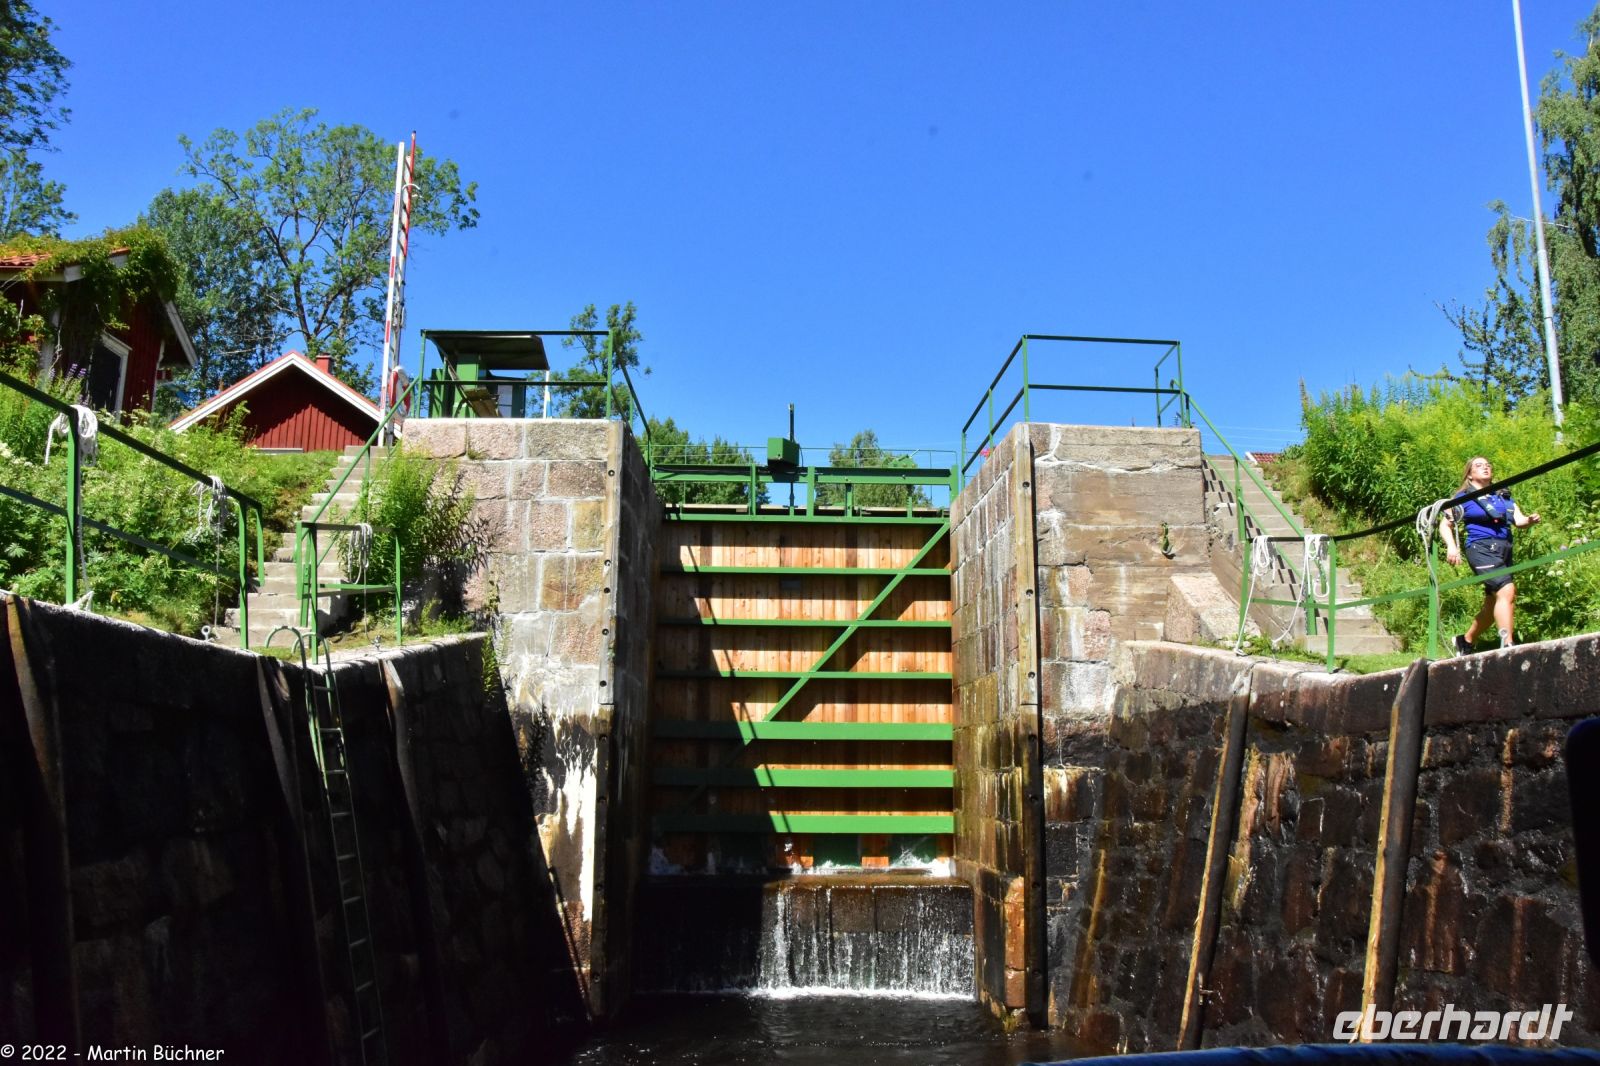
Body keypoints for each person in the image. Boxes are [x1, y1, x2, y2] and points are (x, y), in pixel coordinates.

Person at [1438, 456, 1541, 654]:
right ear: (1469, 474)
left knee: (1493, 601)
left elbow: (1518, 520)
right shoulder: (1463, 498)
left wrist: (1529, 520)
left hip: (1504, 549)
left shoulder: (1502, 495)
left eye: (1487, 465)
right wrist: (1452, 547)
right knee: (1506, 592)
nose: (1485, 467)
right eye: (1479, 465)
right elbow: (1446, 524)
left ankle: (1465, 641)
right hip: (1481, 548)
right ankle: (1508, 646)